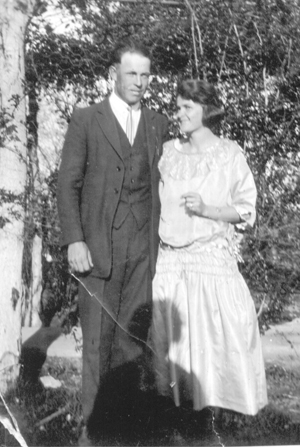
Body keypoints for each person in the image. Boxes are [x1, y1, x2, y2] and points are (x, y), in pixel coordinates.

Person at [57, 38, 168, 444]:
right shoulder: (86, 119)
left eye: (144, 75)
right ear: (112, 75)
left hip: (143, 252)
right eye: (131, 74)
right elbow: (67, 185)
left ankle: (126, 431)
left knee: (133, 345)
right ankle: (92, 432)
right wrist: (75, 240)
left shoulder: (158, 124)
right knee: (97, 346)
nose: (139, 82)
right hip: (98, 252)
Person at [151, 79, 268, 424]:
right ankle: (178, 421)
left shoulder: (228, 153)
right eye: (178, 106)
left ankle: (212, 422)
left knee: (214, 345)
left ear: (207, 110)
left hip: (211, 262)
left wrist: (207, 210)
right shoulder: (168, 152)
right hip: (172, 264)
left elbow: (246, 209)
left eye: (188, 107)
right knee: (174, 348)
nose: (179, 113)